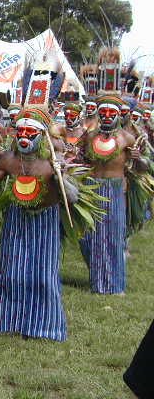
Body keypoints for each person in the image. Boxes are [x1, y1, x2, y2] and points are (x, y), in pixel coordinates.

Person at [0, 108, 71, 340]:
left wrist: (61, 177)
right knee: (11, 271)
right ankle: (7, 321)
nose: (23, 135)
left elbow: (71, 197)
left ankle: (44, 326)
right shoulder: (8, 160)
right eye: (20, 130)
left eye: (30, 131)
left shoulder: (53, 161)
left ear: (42, 136)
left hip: (45, 220)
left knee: (42, 275)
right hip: (15, 217)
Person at [79, 95, 141, 294]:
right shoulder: (89, 136)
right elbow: (81, 159)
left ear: (118, 115)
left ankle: (115, 285)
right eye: (103, 112)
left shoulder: (127, 138)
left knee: (113, 237)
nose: (106, 116)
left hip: (115, 188)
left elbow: (141, 167)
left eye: (111, 113)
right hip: (92, 187)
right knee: (90, 236)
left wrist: (138, 159)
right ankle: (98, 281)